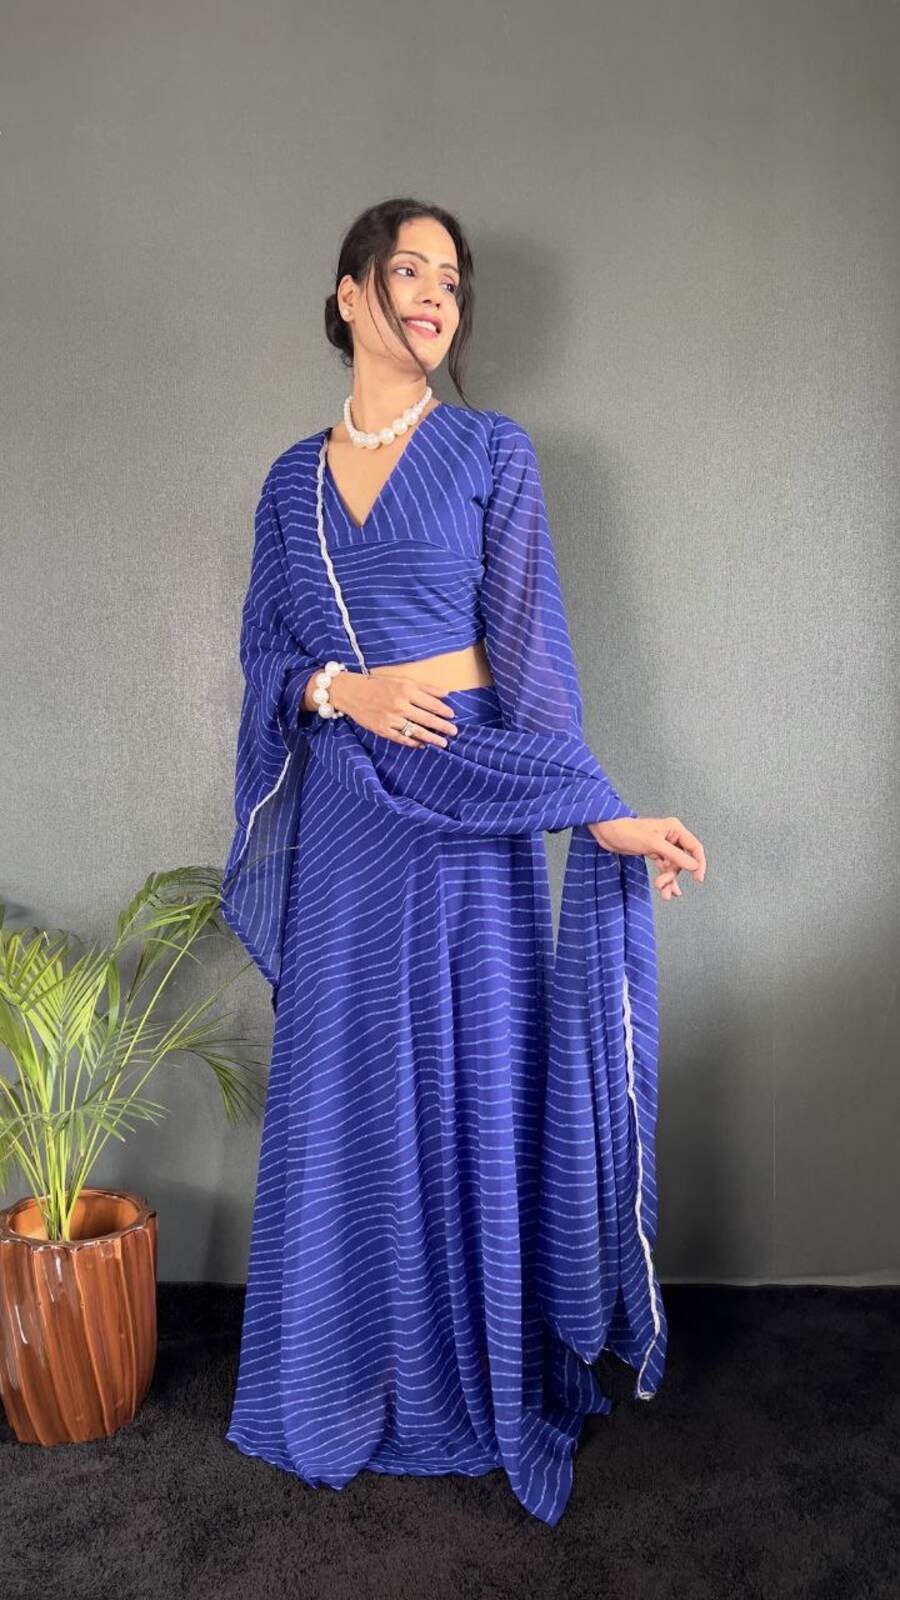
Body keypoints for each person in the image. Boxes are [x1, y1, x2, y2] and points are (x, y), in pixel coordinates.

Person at [220, 198, 706, 1527]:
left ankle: (470, 1370)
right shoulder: (290, 483)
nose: (435, 296)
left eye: (450, 279)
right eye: (408, 272)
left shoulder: (493, 451)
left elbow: (533, 661)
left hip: (470, 809)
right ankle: (350, 1367)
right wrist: (345, 691)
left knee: (469, 1074)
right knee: (350, 1086)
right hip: (347, 816)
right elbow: (266, 660)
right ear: (348, 296)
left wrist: (601, 812)